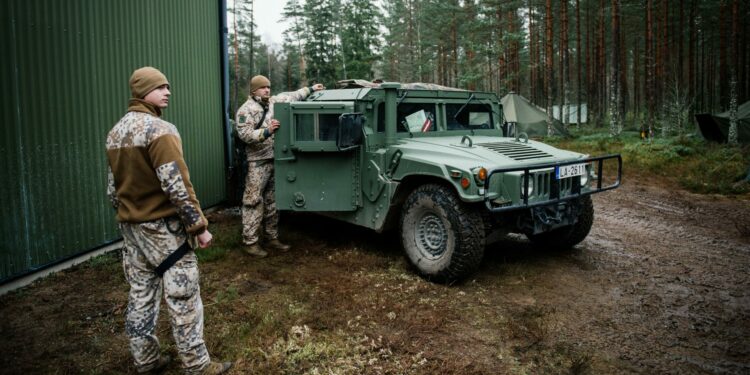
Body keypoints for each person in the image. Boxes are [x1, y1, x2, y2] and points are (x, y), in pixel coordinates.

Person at [106, 66, 232, 375]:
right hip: (163, 231)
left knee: (140, 294)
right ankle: (197, 366)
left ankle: (146, 361)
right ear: (143, 92)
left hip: (131, 229)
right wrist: (199, 227)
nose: (168, 91)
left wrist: (130, 216)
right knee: (183, 294)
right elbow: (176, 184)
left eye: (167, 86)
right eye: (160, 87)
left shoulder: (116, 132)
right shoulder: (159, 130)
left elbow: (113, 189)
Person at [235, 75, 325, 257]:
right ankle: (250, 242)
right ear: (254, 91)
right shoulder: (246, 110)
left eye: (268, 87)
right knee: (253, 201)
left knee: (272, 201)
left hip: (277, 159)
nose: (267, 90)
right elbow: (245, 135)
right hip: (257, 163)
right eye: (263, 88)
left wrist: (312, 88)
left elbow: (294, 95)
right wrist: (267, 132)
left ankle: (272, 238)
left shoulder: (276, 101)